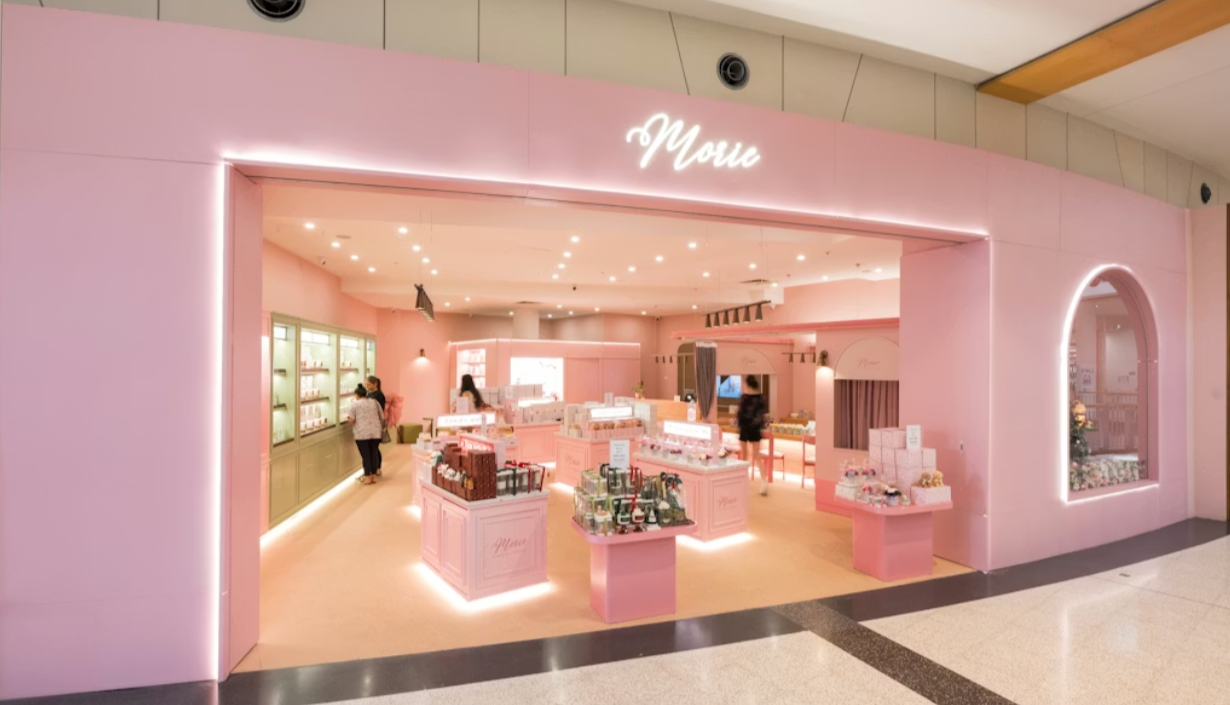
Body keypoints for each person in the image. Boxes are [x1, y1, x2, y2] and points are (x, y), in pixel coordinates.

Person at [737, 376, 769, 496]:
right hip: (755, 429)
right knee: (757, 456)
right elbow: (761, 416)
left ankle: (742, 482)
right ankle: (764, 482)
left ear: (747, 385)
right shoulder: (760, 399)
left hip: (745, 428)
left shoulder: (744, 398)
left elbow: (740, 415)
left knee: (744, 457)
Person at [346, 384, 384, 485]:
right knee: (373, 454)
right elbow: (382, 416)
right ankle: (373, 476)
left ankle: (367, 477)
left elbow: (351, 420)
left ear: (357, 395)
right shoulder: (374, 402)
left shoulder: (355, 404)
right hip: (375, 432)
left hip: (362, 433)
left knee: (366, 455)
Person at [365, 376, 387, 475]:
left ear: (375, 384)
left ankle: (377, 468)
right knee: (372, 448)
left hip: (376, 424)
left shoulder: (379, 395)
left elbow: (380, 411)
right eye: (366, 384)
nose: (367, 386)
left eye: (369, 384)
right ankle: (373, 468)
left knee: (374, 448)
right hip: (369, 424)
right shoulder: (368, 394)